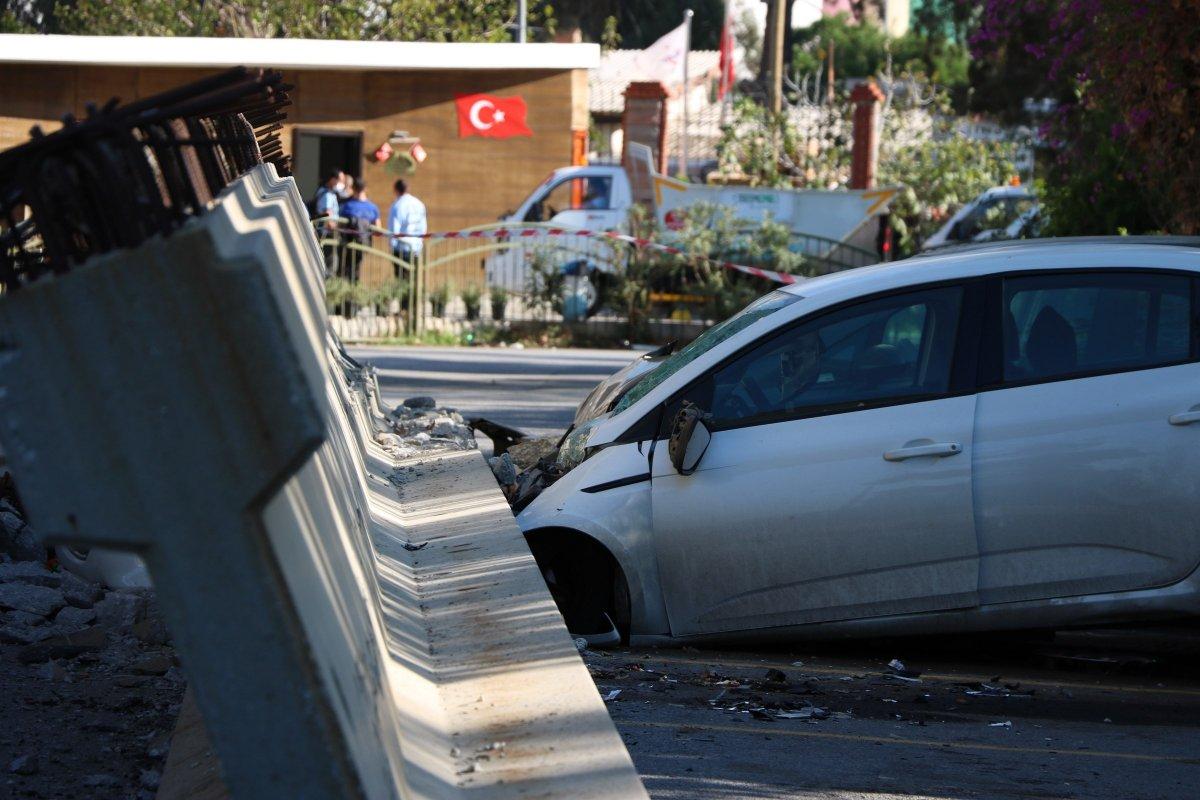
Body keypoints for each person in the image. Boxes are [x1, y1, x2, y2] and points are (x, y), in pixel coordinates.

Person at [338, 179, 380, 281]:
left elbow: (339, 224)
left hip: (348, 243)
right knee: (355, 267)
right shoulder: (372, 207)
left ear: (353, 189)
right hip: (363, 242)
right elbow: (378, 228)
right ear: (365, 189)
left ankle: (349, 288)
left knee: (347, 268)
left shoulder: (347, 206)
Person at [388, 178, 427, 276]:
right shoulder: (419, 204)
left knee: (402, 279)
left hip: (401, 248)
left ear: (396, 190)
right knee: (415, 278)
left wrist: (392, 246)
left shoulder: (397, 205)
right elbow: (423, 226)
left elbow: (394, 229)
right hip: (416, 247)